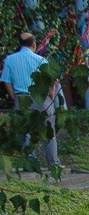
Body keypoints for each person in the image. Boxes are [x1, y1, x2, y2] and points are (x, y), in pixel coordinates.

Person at [1, 33, 61, 169]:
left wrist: (14, 97)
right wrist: (50, 97)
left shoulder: (10, 60)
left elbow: (6, 82)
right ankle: (53, 164)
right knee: (49, 131)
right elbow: (50, 84)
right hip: (42, 98)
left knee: (25, 132)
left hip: (21, 98)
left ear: (19, 44)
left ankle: (31, 164)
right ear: (34, 45)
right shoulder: (42, 60)